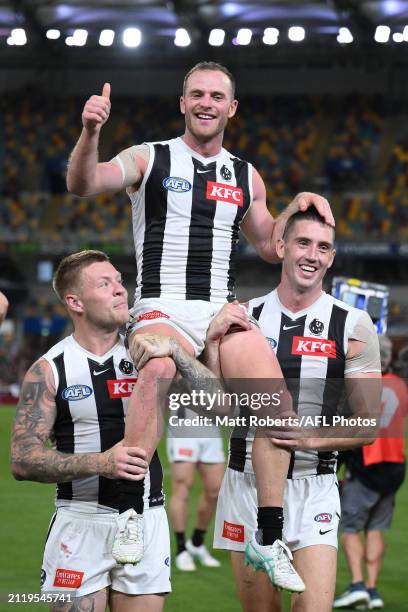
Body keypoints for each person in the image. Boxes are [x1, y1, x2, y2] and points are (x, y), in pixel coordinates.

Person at [66, 60, 334, 585]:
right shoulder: (152, 157)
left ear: (231, 107)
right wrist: (91, 132)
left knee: (273, 408)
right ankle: (127, 513)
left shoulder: (246, 175)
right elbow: (85, 183)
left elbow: (267, 244)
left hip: (219, 308)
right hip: (160, 306)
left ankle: (267, 536)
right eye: (197, 94)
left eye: (216, 95)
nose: (206, 103)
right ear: (183, 103)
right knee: (159, 371)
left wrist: (300, 208)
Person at [207, 207, 382, 612]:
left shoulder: (353, 324)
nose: (312, 255)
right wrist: (213, 346)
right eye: (303, 242)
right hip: (246, 485)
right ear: (282, 246)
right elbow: (217, 410)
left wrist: (307, 438)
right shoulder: (243, 318)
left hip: (315, 485)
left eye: (323, 247)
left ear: (332, 258)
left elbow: (368, 426)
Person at [10, 250, 170, 612]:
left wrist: (179, 351)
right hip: (80, 521)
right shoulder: (49, 370)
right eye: (105, 283)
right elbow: (22, 461)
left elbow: (222, 404)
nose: (120, 289)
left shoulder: (150, 352)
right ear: (75, 302)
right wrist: (101, 462)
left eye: (119, 280)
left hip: (146, 517)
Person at [334, 335, 408, 610]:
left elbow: (346, 429)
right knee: (376, 528)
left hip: (366, 464)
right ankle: (373, 590)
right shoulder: (400, 385)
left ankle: (357, 585)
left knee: (350, 528)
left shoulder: (360, 385)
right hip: (394, 465)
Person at [167, 406, 224, 571]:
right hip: (183, 425)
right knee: (182, 487)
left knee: (215, 490)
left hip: (210, 424)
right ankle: (181, 549)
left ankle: (197, 542)